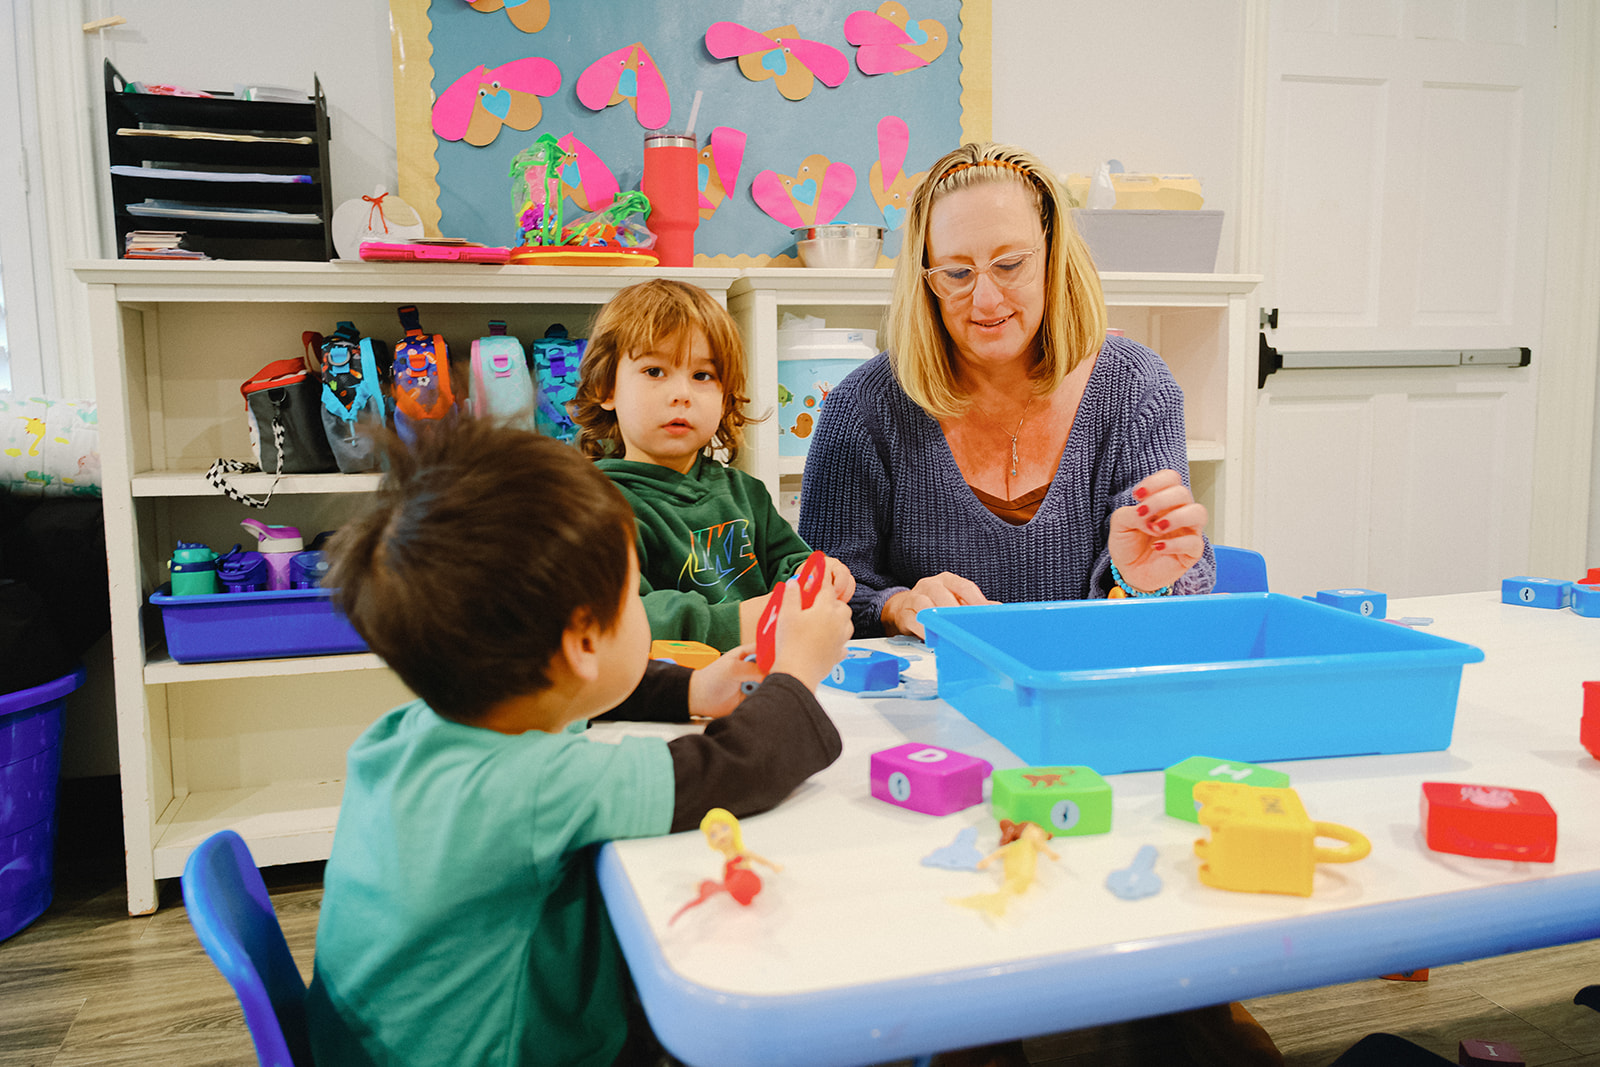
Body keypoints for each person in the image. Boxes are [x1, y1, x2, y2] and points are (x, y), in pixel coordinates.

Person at [304, 421, 852, 1067]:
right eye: (634, 593)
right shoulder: (531, 785)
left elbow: (580, 694)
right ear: (584, 642)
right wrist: (798, 672)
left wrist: (692, 687)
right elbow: (728, 770)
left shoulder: (428, 725)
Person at [798, 142, 1214, 639]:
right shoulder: (863, 408)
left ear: (1054, 256)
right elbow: (820, 594)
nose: (986, 299)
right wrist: (896, 605)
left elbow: (1173, 584)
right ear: (926, 281)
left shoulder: (1134, 387)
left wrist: (1142, 584)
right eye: (956, 273)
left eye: (1011, 264)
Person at [572, 278, 854, 650]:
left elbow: (789, 563)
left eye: (702, 376)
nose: (681, 394)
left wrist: (816, 575)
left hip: (766, 672)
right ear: (605, 388)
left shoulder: (746, 493)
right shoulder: (597, 507)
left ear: (725, 398)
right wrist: (739, 624)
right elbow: (619, 619)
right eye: (655, 371)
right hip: (671, 684)